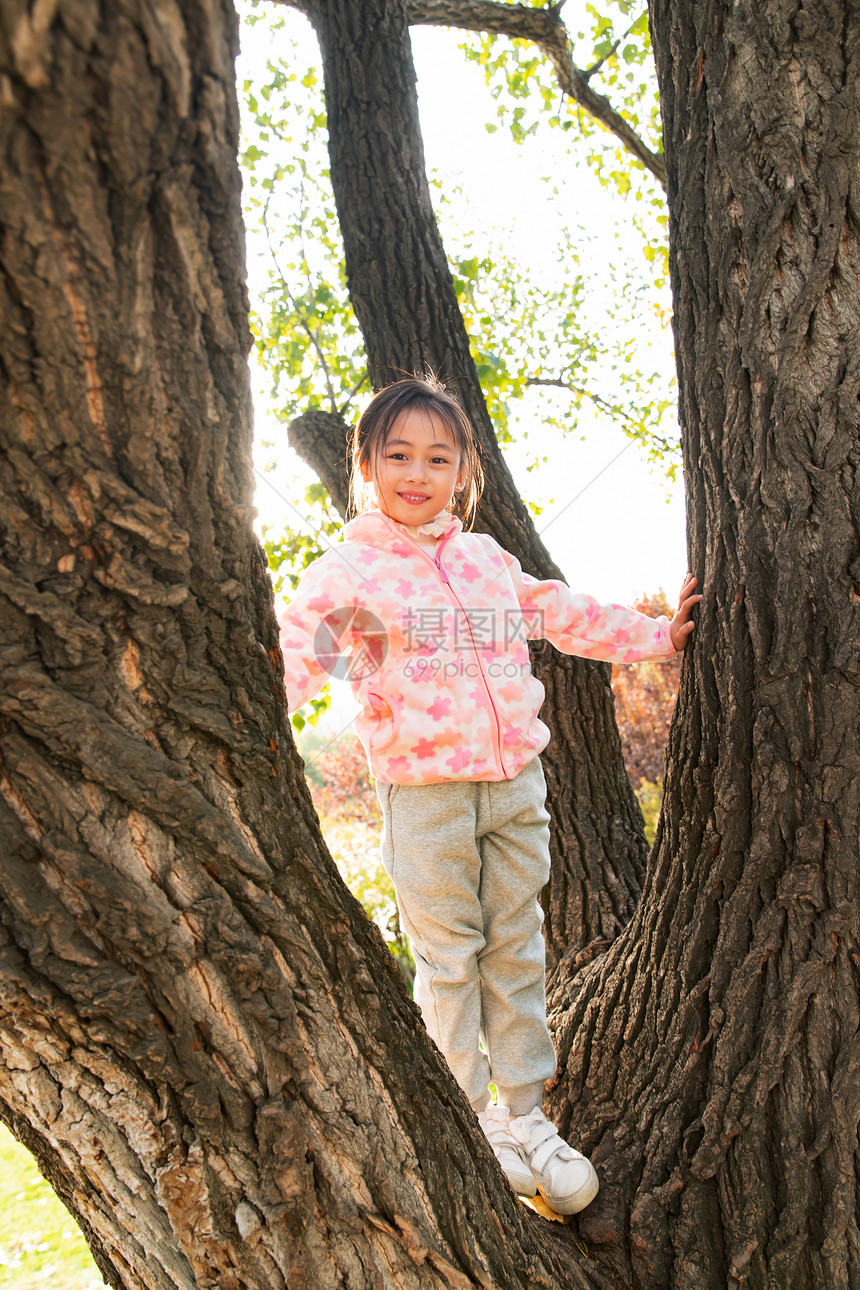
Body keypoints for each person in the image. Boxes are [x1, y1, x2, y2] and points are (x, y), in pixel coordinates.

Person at [277, 375, 700, 1215]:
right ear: (364, 465)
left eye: (438, 458)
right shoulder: (352, 574)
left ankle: (529, 1114)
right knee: (448, 956)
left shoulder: (482, 560)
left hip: (514, 787)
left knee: (516, 947)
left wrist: (658, 637)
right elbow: (299, 660)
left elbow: (561, 612)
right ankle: (475, 1117)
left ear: (463, 472)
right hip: (424, 795)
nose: (417, 473)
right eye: (397, 455)